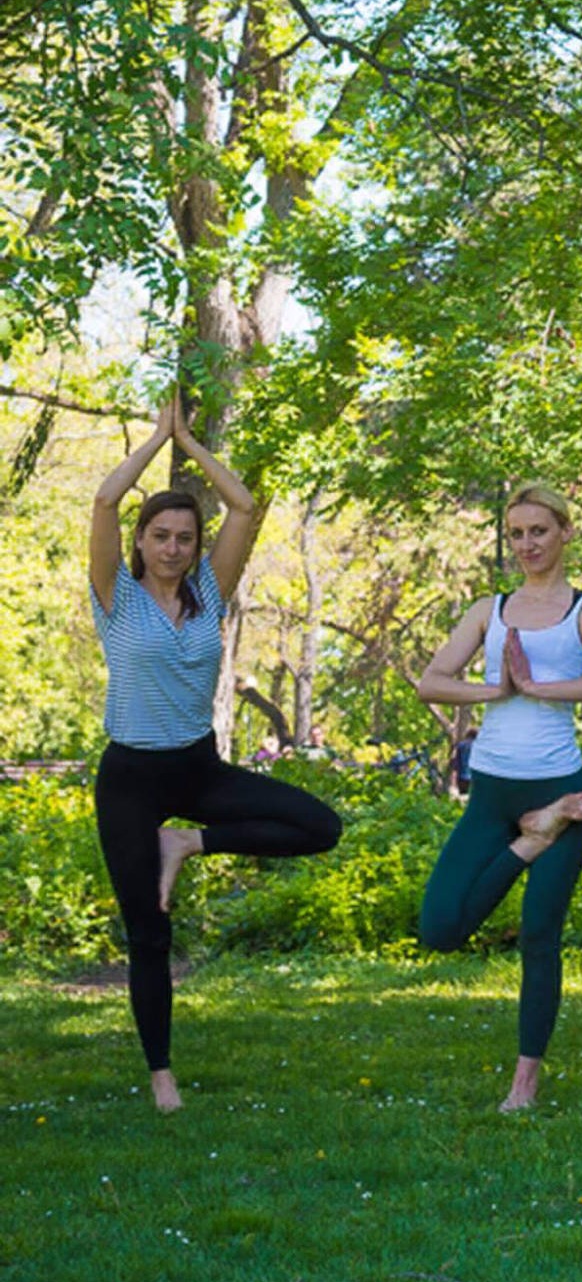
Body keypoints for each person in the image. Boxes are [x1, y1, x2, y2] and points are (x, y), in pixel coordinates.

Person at [89, 394, 343, 1112]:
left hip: (198, 768)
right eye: (161, 535)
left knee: (320, 827)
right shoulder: (114, 595)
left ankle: (189, 842)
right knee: (149, 929)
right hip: (131, 776)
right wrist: (156, 437)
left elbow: (245, 504)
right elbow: (107, 500)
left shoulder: (210, 591)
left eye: (184, 538)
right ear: (141, 542)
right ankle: (161, 1075)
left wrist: (192, 443)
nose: (173, 547)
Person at [415, 483, 582, 1112]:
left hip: (561, 789)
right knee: (440, 928)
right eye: (516, 534)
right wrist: (499, 691)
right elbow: (433, 681)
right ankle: (529, 841)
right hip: (495, 792)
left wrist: (537, 686)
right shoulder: (491, 608)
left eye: (539, 531)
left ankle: (524, 1083)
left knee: (540, 933)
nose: (527, 544)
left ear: (565, 532)